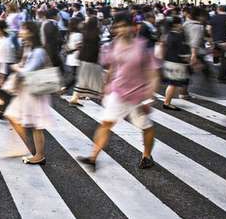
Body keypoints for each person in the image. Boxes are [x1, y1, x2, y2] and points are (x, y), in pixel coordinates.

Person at [78, 13, 159, 171]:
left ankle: (147, 155)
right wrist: (106, 87)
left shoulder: (142, 46)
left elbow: (153, 74)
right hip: (119, 92)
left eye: (124, 25)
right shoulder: (114, 44)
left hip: (138, 95)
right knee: (106, 123)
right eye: (118, 26)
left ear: (133, 27)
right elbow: (113, 67)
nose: (121, 29)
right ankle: (93, 157)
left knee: (146, 126)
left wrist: (149, 96)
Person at [4, 21, 55, 165]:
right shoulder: (28, 47)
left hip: (34, 91)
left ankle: (38, 155)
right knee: (15, 117)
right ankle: (27, 148)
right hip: (27, 90)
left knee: (36, 125)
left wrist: (15, 68)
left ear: (31, 32)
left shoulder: (38, 51)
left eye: (23, 29)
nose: (20, 30)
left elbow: (27, 71)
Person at [158, 15, 190, 111]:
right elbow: (182, 51)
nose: (181, 25)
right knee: (173, 84)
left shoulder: (167, 35)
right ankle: (167, 103)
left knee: (172, 83)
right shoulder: (177, 36)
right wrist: (187, 58)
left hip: (168, 61)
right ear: (176, 24)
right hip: (176, 62)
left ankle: (167, 101)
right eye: (180, 23)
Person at [69, 17, 103, 106]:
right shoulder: (95, 34)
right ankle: (75, 98)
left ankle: (75, 98)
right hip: (91, 59)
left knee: (83, 79)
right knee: (87, 79)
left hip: (84, 58)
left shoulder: (85, 32)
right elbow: (95, 48)